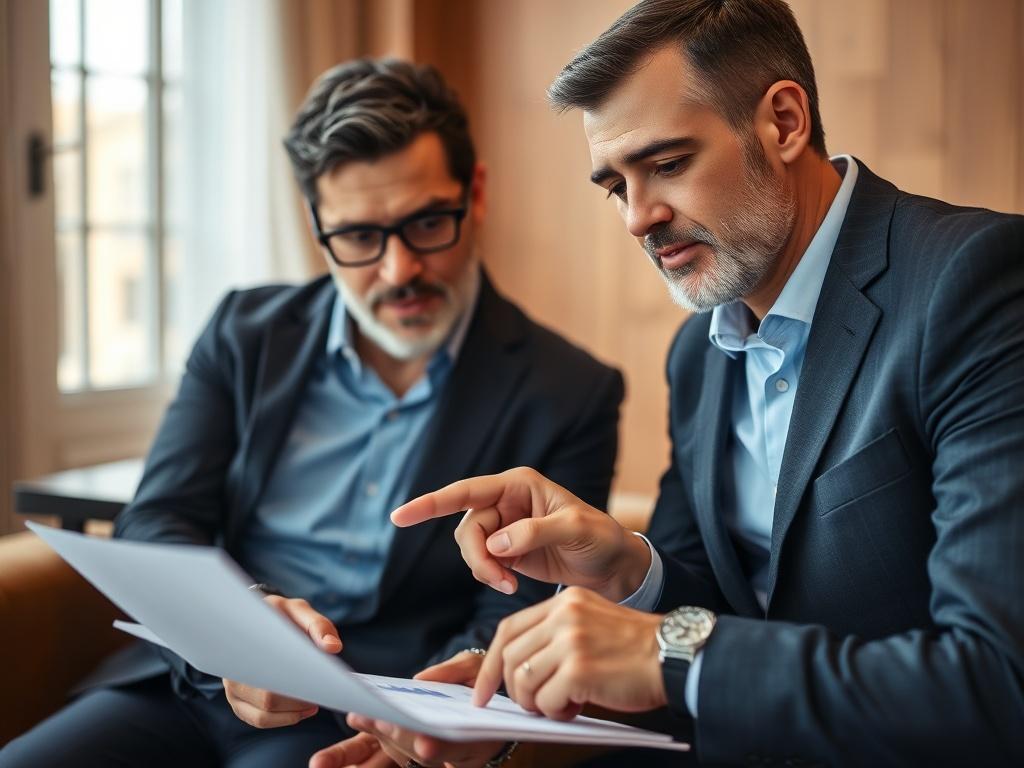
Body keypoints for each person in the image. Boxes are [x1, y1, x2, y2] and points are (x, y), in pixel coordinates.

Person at [325, 2, 1024, 766]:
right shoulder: (699, 354)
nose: (635, 218)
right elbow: (713, 623)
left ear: (784, 122)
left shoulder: (977, 284)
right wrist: (624, 572)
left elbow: (996, 684)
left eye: (665, 164)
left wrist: (668, 648)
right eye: (614, 185)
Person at [0, 59, 624, 768]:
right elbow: (159, 517)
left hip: (372, 711)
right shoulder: (244, 333)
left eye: (426, 223)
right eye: (358, 237)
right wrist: (237, 631)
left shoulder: (571, 390)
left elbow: (516, 614)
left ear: (474, 195)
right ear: (315, 224)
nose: (398, 271)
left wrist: (435, 719)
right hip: (188, 682)